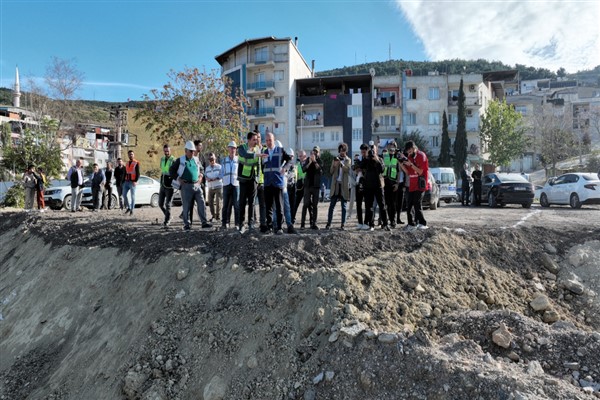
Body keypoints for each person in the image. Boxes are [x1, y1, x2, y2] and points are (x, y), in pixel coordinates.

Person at [169, 141, 212, 231]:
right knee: (186, 206)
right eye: (191, 151)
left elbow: (202, 169)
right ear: (186, 150)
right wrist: (178, 179)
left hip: (196, 184)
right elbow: (171, 170)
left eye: (193, 151)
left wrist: (200, 176)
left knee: (201, 203)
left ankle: (204, 222)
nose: (193, 153)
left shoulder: (196, 159)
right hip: (186, 185)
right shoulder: (180, 160)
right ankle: (187, 224)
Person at [261, 133, 294, 234]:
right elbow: (263, 166)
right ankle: (269, 226)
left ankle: (279, 227)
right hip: (267, 183)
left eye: (270, 140)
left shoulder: (280, 150)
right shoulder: (264, 152)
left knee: (279, 206)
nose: (268, 142)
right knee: (269, 207)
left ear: (274, 139)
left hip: (277, 182)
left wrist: (285, 168)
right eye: (266, 141)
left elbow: (289, 160)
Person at [237, 131, 267, 232]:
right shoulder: (241, 148)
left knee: (252, 203)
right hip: (243, 178)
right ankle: (241, 224)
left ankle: (251, 224)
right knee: (242, 202)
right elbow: (245, 155)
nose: (256, 141)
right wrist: (256, 155)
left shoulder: (257, 148)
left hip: (253, 179)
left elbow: (258, 164)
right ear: (249, 140)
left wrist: (258, 178)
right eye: (254, 139)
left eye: (256, 139)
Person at [400, 141, 429, 230]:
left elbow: (420, 171)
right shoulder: (410, 157)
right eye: (407, 152)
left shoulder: (421, 156)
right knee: (409, 205)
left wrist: (411, 164)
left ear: (414, 148)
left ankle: (422, 223)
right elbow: (408, 172)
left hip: (420, 184)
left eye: (410, 151)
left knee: (417, 203)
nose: (408, 153)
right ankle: (411, 224)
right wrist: (401, 164)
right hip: (412, 184)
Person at [362, 144, 389, 231]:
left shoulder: (380, 159)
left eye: (374, 149)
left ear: (376, 150)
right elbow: (360, 167)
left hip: (378, 186)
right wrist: (366, 158)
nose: (372, 152)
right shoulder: (366, 160)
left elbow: (382, 170)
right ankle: (371, 224)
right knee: (369, 206)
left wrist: (377, 160)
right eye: (371, 150)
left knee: (382, 205)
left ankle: (385, 224)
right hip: (368, 186)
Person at [325, 143, 351, 230]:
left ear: (346, 151)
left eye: (343, 151)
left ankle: (343, 224)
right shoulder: (335, 160)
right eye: (340, 151)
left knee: (343, 206)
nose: (341, 153)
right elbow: (331, 171)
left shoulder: (348, 160)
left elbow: (347, 170)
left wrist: (342, 164)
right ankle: (328, 223)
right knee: (332, 205)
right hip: (335, 185)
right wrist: (335, 165)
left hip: (343, 186)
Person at [301, 146, 323, 229]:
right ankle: (302, 224)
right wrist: (310, 162)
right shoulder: (307, 160)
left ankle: (314, 223)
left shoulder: (320, 161)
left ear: (318, 153)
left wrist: (314, 162)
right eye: (314, 151)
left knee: (315, 205)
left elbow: (320, 171)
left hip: (316, 186)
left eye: (316, 152)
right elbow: (303, 169)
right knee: (306, 204)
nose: (315, 153)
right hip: (308, 186)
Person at [382, 141, 402, 228]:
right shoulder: (384, 156)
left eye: (394, 146)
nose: (392, 147)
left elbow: (398, 172)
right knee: (385, 204)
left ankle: (393, 221)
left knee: (393, 204)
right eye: (390, 146)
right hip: (385, 184)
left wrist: (397, 184)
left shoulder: (397, 158)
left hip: (393, 184)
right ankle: (384, 221)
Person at [220, 141, 240, 229]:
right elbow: (221, 173)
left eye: (234, 148)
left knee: (236, 205)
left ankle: (237, 224)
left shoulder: (239, 160)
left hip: (236, 185)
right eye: (231, 148)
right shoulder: (224, 160)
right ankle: (225, 223)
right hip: (226, 184)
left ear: (236, 149)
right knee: (225, 205)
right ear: (228, 149)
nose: (232, 150)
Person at [158, 144, 175, 226]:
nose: (166, 152)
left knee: (168, 204)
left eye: (167, 151)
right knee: (160, 204)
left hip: (170, 186)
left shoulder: (173, 160)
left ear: (170, 151)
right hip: (163, 184)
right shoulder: (162, 159)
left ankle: (167, 221)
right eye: (165, 151)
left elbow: (176, 172)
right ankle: (168, 216)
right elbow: (162, 170)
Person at [205, 152, 223, 223]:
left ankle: (217, 216)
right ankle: (213, 216)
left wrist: (216, 178)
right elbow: (205, 176)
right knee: (210, 202)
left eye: (212, 159)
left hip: (218, 186)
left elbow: (221, 175)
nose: (211, 161)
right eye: (210, 159)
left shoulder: (219, 167)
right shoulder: (207, 168)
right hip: (210, 187)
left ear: (215, 159)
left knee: (219, 202)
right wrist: (207, 179)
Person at [122, 150, 140, 216]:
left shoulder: (136, 163)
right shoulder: (127, 163)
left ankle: (132, 210)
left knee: (133, 197)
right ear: (128, 155)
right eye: (129, 154)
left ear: (133, 155)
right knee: (124, 195)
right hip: (126, 182)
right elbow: (125, 173)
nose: (131, 155)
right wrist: (123, 181)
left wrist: (135, 181)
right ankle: (129, 207)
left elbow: (138, 173)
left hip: (132, 182)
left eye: (132, 154)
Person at [292, 150, 307, 225]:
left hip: (307, 186)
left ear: (305, 156)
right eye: (299, 156)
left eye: (301, 156)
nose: (299, 157)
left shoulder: (308, 164)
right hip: (299, 186)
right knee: (295, 203)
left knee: (308, 204)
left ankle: (311, 222)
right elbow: (295, 175)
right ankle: (292, 219)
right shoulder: (297, 165)